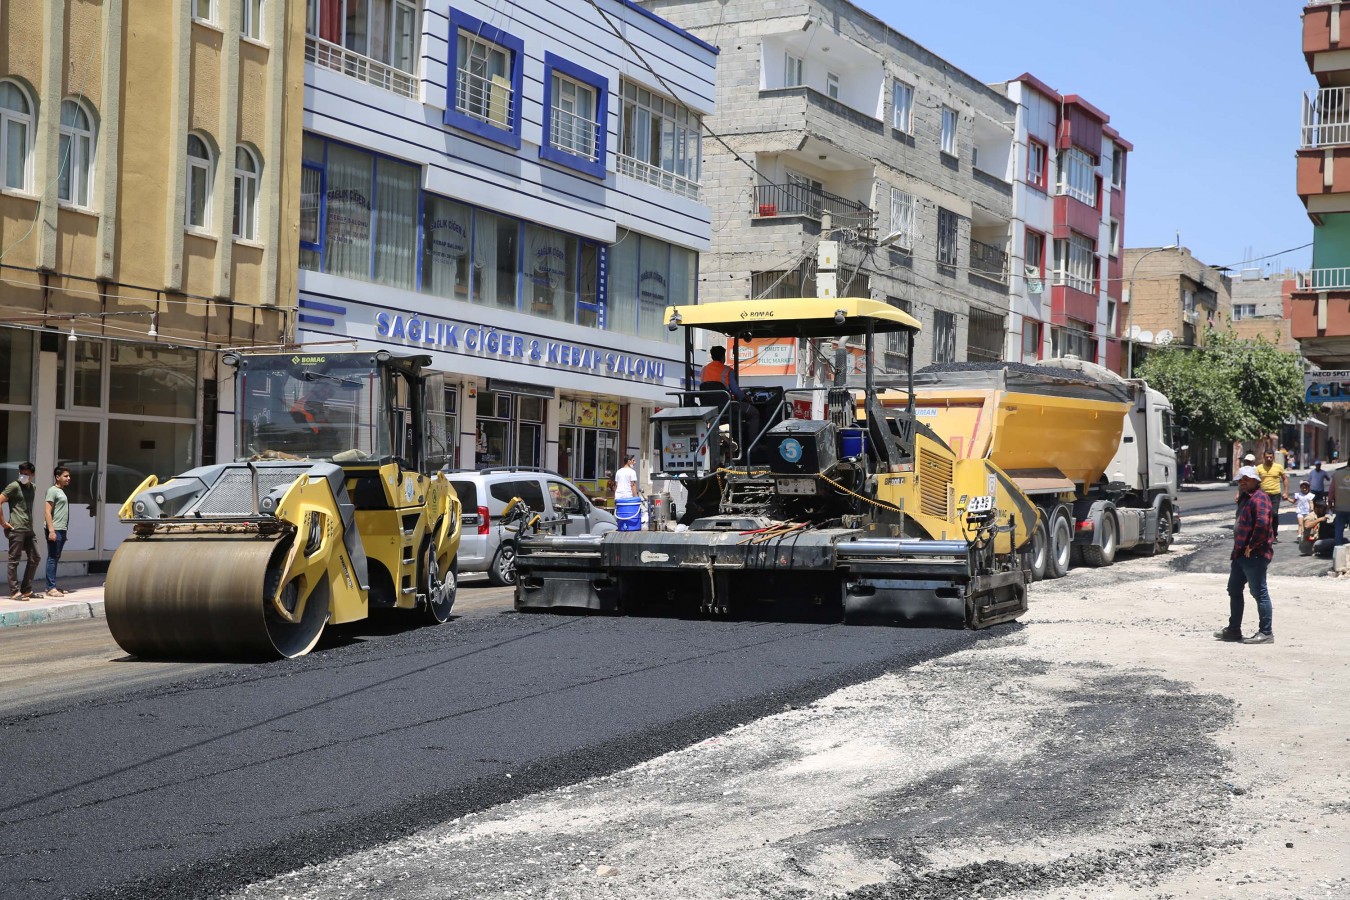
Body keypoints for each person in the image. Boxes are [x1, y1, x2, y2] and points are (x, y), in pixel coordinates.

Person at [1215, 466, 1274, 645]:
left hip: (1254, 554)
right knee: (1233, 589)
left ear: (1256, 480)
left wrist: (1252, 544)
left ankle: (1266, 632)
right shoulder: (1245, 498)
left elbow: (1263, 524)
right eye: (1240, 479)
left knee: (1259, 592)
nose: (1243, 482)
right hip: (1240, 553)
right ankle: (1234, 630)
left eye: (1246, 479)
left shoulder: (1260, 498)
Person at [700, 345, 760, 448]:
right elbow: (736, 390)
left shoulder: (704, 370)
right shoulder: (727, 371)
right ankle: (753, 445)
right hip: (726, 408)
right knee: (754, 412)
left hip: (709, 409)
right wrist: (745, 398)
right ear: (723, 357)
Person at [1, 462, 43, 601]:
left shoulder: (33, 487)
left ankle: (26, 589)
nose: (23, 476)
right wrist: (3, 522)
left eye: (27, 474)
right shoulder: (14, 486)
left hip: (28, 529)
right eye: (22, 473)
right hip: (16, 528)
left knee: (35, 557)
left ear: (32, 475)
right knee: (14, 560)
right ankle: (14, 592)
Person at [44, 466, 72, 596]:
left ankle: (52, 585)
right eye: (65, 476)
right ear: (57, 477)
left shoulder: (61, 491)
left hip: (61, 529)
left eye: (68, 476)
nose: (68, 478)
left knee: (55, 558)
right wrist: (51, 531)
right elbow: (47, 512)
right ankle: (50, 588)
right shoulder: (52, 491)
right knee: (52, 558)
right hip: (55, 529)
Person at [1255, 450, 1290, 542]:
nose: (1269, 459)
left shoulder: (1278, 467)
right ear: (1264, 457)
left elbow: (1285, 479)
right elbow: (1255, 481)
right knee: (1263, 515)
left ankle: (1274, 535)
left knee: (1274, 514)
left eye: (1271, 457)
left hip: (1275, 494)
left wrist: (1286, 492)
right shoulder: (1259, 468)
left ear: (1273, 457)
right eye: (1267, 457)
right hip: (1263, 495)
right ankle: (1264, 535)